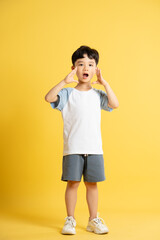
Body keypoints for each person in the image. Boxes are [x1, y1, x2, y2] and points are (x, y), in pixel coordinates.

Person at [45, 45, 119, 235]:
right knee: (73, 183)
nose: (86, 68)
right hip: (73, 148)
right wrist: (64, 81)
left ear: (96, 69)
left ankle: (93, 219)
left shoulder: (97, 95)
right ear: (73, 68)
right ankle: (70, 219)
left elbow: (114, 104)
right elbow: (49, 97)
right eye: (81, 64)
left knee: (92, 184)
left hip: (94, 148)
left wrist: (105, 83)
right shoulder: (68, 94)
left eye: (90, 64)